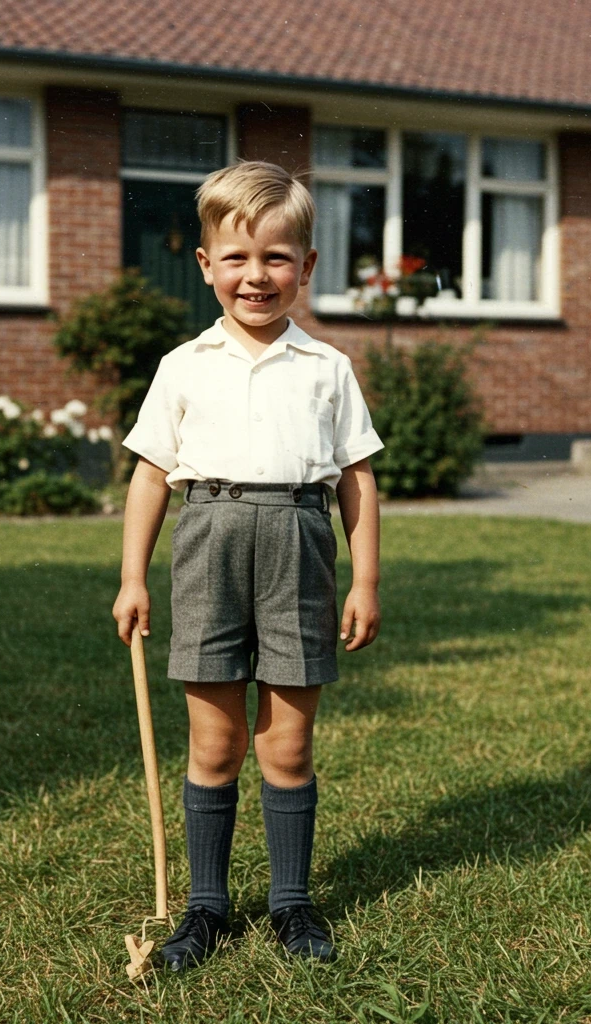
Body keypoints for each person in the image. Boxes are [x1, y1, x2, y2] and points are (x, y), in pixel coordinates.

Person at [112, 160, 383, 972]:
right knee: (215, 741)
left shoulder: (327, 367)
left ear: (305, 268)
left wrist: (365, 579)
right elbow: (152, 473)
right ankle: (204, 908)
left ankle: (292, 904)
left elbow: (355, 477)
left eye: (275, 258)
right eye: (236, 258)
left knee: (288, 745)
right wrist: (132, 577)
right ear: (205, 266)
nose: (255, 276)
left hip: (298, 548)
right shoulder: (184, 364)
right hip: (208, 546)